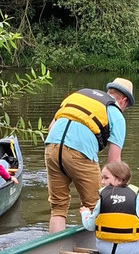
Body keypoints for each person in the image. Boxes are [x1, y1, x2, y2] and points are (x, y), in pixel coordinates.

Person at [44, 77, 134, 233]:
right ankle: (99, 245)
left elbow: (51, 127)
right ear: (124, 101)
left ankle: (56, 246)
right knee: (97, 205)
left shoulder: (79, 96)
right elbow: (113, 163)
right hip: (80, 153)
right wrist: (117, 191)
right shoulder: (116, 113)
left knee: (58, 207)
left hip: (51, 148)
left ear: (109, 91)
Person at [79, 161, 139, 254]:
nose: (102, 182)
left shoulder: (102, 199)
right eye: (102, 178)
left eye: (106, 178)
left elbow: (90, 226)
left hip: (104, 250)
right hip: (130, 251)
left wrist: (85, 213)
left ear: (119, 180)